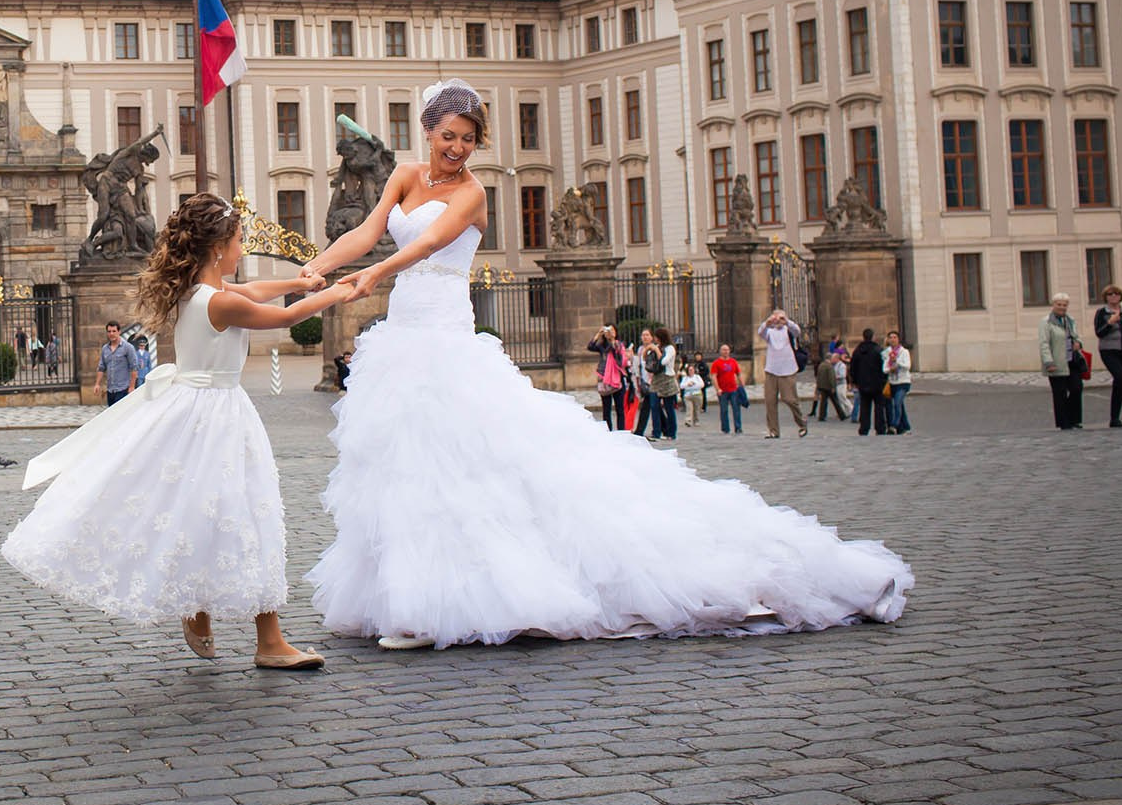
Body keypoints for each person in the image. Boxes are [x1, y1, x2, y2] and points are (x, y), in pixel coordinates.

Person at [298, 77, 911, 650]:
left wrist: (373, 274)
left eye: (468, 138)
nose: (457, 148)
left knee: (459, 464)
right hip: (404, 334)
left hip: (448, 335)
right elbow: (371, 231)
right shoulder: (403, 175)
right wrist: (322, 264)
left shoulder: (473, 192)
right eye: (447, 135)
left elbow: (430, 244)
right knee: (408, 463)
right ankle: (412, 595)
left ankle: (437, 604)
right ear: (426, 132)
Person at [5, 192, 356, 670]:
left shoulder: (198, 292)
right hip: (215, 416)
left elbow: (256, 293)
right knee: (243, 513)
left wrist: (300, 279)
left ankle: (205, 614)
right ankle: (256, 636)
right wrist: (336, 293)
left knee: (211, 512)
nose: (242, 250)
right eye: (238, 241)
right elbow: (285, 315)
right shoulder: (220, 301)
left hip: (198, 412)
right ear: (218, 248)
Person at [1092, 285, 1122, 428]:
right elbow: (1099, 333)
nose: (1113, 296)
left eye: (1116, 294)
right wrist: (1110, 323)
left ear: (1120, 296)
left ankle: (1114, 419)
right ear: (1105, 297)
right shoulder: (1102, 312)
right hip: (1109, 350)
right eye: (1110, 294)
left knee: (1119, 384)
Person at [1038, 293, 1085, 430]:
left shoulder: (1070, 320)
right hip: (1056, 362)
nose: (1062, 307)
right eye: (1059, 304)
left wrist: (1079, 343)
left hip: (1072, 360)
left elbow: (1077, 336)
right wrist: (1048, 362)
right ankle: (1064, 422)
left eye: (1064, 305)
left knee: (1077, 388)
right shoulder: (1046, 322)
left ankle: (1074, 419)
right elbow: (1044, 343)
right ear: (1053, 305)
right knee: (1060, 394)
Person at [756, 310, 804, 439]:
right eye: (775, 318)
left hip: (787, 370)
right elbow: (760, 332)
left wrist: (786, 321)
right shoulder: (770, 332)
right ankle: (773, 430)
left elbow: (797, 331)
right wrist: (767, 323)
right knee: (770, 401)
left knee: (789, 399)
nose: (777, 321)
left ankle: (801, 422)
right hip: (771, 369)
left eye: (779, 318)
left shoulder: (788, 331)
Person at [588, 323, 632, 431]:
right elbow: (590, 347)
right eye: (608, 331)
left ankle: (621, 431)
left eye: (612, 331)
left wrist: (613, 341)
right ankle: (608, 431)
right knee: (606, 408)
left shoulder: (619, 345)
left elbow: (619, 360)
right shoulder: (602, 346)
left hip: (617, 378)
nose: (610, 333)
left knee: (619, 408)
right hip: (604, 378)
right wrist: (598, 334)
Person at [638, 329, 680, 440]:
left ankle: (671, 433)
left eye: (656, 336)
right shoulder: (657, 346)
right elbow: (646, 360)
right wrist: (647, 350)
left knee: (668, 407)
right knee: (654, 406)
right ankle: (656, 432)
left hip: (667, 378)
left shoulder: (670, 348)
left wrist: (656, 350)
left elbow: (663, 362)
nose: (655, 339)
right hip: (656, 379)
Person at [848, 329, 888, 436]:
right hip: (877, 383)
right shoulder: (878, 350)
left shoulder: (858, 351)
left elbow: (853, 367)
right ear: (873, 336)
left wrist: (855, 380)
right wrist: (884, 379)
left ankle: (864, 428)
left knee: (865, 407)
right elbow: (883, 367)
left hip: (863, 383)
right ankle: (880, 428)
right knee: (879, 407)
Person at [97, 320, 142, 408]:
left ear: (119, 332)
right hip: (110, 390)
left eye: (114, 331)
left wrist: (132, 387)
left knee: (121, 416)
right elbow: (101, 367)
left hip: (123, 389)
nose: (111, 333)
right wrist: (97, 384)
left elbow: (134, 367)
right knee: (112, 416)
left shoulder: (128, 348)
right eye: (109, 331)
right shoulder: (105, 349)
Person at [709, 345, 746, 435]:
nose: (726, 351)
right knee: (724, 410)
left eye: (727, 350)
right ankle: (725, 428)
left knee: (736, 409)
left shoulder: (733, 361)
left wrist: (742, 384)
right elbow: (714, 377)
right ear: (720, 351)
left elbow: (738, 373)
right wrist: (717, 389)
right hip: (722, 390)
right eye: (724, 350)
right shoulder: (716, 363)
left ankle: (738, 427)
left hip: (733, 389)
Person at [809, 344, 850, 423]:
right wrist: (833, 386)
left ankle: (822, 416)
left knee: (823, 402)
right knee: (835, 402)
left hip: (822, 386)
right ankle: (842, 415)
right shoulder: (829, 366)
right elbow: (831, 377)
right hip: (828, 386)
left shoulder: (821, 365)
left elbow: (818, 376)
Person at [882, 330, 912, 434]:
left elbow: (907, 366)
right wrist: (890, 369)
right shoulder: (887, 352)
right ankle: (906, 427)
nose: (893, 339)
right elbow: (884, 368)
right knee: (900, 406)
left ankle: (893, 426)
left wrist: (897, 362)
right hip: (893, 382)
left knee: (897, 403)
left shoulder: (904, 352)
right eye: (891, 337)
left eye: (895, 337)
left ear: (898, 339)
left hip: (903, 382)